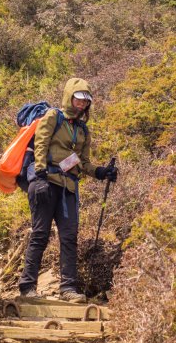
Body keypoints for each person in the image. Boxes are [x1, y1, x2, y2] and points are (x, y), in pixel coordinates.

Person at [18, 77, 117, 302]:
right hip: (44, 182)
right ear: (69, 97)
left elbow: (83, 162)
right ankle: (27, 287)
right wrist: (40, 173)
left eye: (86, 101)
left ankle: (69, 289)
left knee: (69, 237)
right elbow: (41, 143)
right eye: (79, 99)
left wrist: (101, 172)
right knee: (40, 233)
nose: (82, 104)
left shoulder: (82, 130)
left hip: (68, 188)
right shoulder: (54, 116)